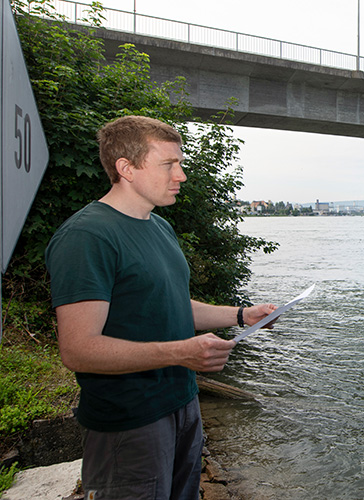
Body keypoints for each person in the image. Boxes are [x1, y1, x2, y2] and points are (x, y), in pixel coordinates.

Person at [45, 115, 278, 500]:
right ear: (127, 168)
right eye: (169, 164)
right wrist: (181, 352)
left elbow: (168, 304)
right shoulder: (87, 237)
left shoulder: (158, 226)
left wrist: (240, 315)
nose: (181, 175)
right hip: (130, 420)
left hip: (182, 402)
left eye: (180, 163)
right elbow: (78, 349)